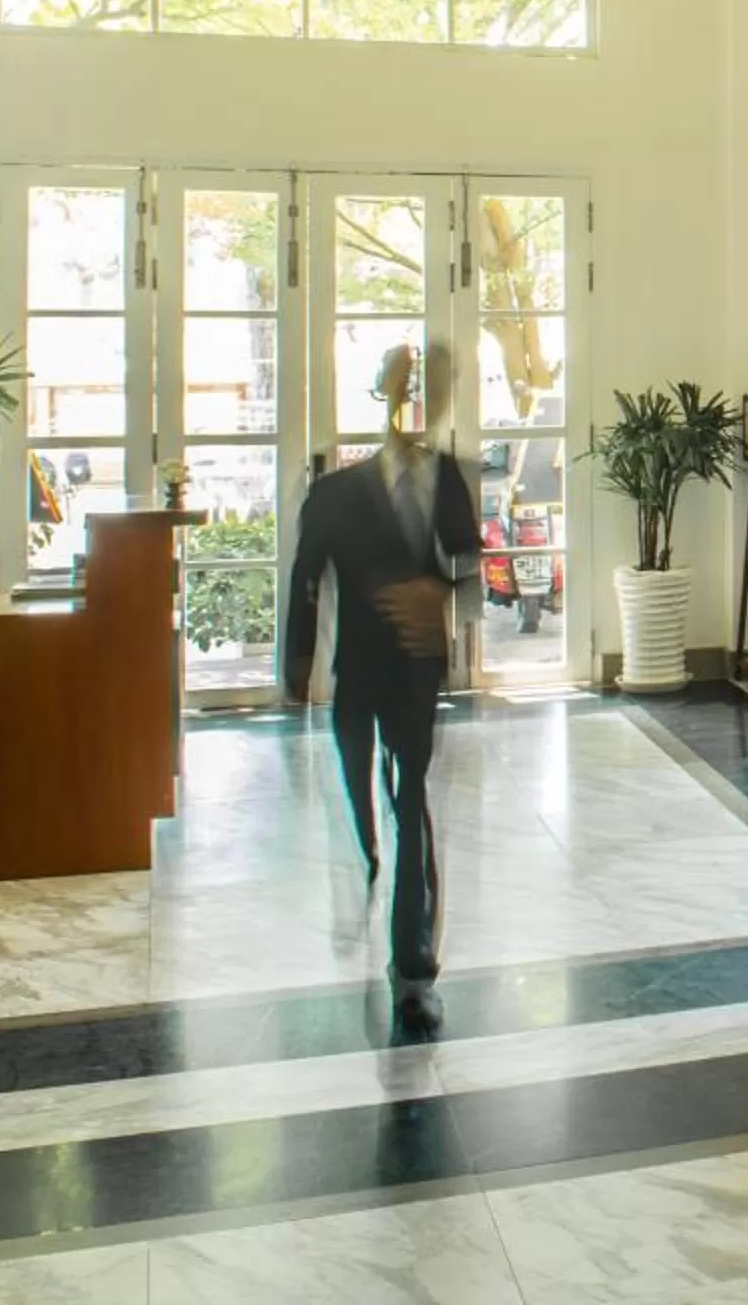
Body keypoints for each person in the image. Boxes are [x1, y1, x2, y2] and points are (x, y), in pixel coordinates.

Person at [282, 340, 479, 1036]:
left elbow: (471, 566)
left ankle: (414, 962)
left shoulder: (449, 480)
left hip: (418, 669)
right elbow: (305, 580)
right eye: (400, 384)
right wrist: (296, 664)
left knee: (412, 795)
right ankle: (367, 856)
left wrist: (443, 595)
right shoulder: (336, 493)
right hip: (357, 673)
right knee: (360, 792)